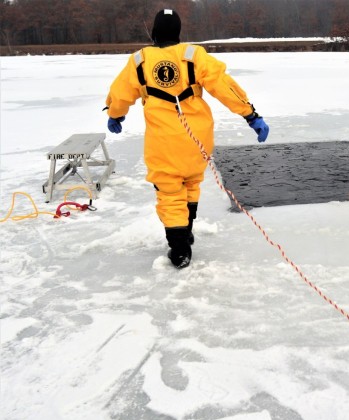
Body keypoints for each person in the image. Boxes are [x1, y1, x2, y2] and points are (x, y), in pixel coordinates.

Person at [104, 9, 269, 269]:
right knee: (191, 182)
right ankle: (186, 231)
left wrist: (115, 114)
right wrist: (250, 115)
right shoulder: (194, 56)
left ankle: (180, 248)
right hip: (197, 138)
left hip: (163, 141)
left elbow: (120, 93)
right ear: (178, 32)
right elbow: (223, 86)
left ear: (155, 32)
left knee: (170, 192)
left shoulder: (139, 61)